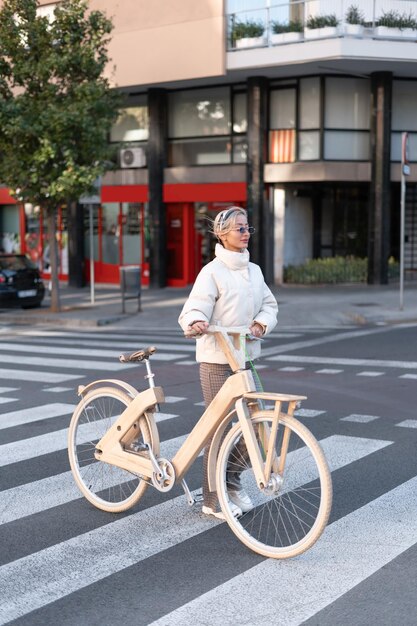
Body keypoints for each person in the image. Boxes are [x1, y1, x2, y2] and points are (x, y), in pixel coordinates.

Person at [178, 207, 278, 519]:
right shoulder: (212, 272)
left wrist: (262, 323)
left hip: (244, 359)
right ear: (222, 234)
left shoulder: (255, 271)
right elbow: (195, 307)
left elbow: (269, 304)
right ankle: (212, 499)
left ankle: (230, 480)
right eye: (239, 229)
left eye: (248, 228)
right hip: (216, 360)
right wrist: (196, 321)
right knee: (219, 430)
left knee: (259, 425)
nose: (246, 233)